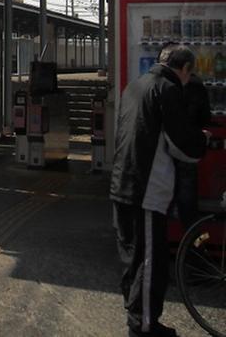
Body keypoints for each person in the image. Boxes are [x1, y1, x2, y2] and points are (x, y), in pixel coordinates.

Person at [110, 43, 208, 337]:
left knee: (132, 258)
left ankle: (136, 320)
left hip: (121, 185)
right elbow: (179, 142)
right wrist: (202, 141)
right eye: (189, 74)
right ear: (185, 69)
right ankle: (146, 327)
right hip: (146, 190)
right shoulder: (168, 89)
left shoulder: (135, 86)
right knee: (152, 263)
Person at [173, 73, 212, 229]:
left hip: (166, 148)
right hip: (189, 148)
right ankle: (191, 238)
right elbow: (205, 118)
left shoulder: (162, 82)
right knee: (187, 195)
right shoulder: (196, 83)